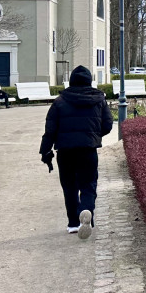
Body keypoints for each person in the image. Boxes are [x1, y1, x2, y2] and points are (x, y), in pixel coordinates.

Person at [38, 65, 113, 239]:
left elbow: (50, 130)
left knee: (69, 186)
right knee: (88, 184)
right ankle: (86, 211)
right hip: (88, 150)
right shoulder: (99, 99)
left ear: (71, 81)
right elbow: (107, 125)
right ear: (89, 80)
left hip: (65, 151)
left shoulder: (59, 101)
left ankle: (73, 223)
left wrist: (45, 151)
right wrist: (92, 135)